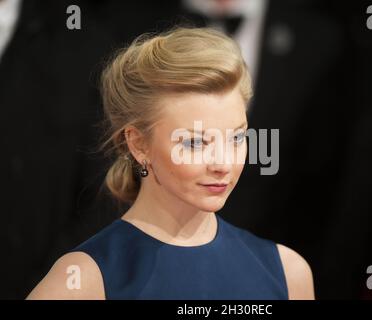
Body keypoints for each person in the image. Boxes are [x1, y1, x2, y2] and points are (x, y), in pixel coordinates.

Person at [26, 27, 314, 300]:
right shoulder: (82, 281)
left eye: (236, 138)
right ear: (138, 144)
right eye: (194, 143)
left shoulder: (288, 273)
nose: (222, 163)